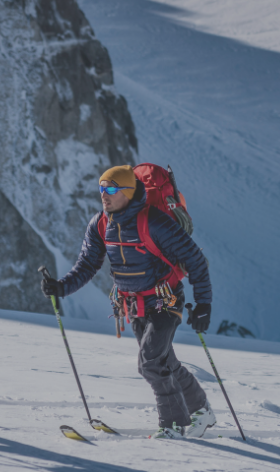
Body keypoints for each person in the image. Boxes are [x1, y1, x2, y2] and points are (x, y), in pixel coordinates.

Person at [41, 165, 215, 438]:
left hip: (165, 302)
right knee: (164, 362)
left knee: (150, 363)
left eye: (111, 189)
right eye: (101, 188)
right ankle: (201, 409)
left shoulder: (154, 222)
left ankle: (173, 427)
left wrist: (203, 304)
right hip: (133, 305)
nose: (104, 195)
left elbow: (194, 259)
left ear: (128, 192)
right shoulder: (101, 223)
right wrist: (61, 287)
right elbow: (87, 264)